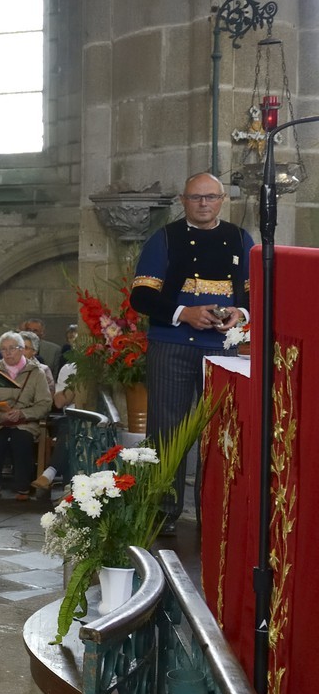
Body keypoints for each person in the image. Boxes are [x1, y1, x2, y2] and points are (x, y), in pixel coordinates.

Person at [129, 170, 251, 530]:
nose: (203, 204)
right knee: (166, 430)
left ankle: (214, 511)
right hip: (173, 345)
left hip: (223, 351)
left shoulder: (240, 238)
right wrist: (185, 314)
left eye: (210, 197)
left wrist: (239, 314)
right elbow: (141, 296)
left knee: (222, 432)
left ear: (222, 200)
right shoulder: (163, 238)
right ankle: (162, 511)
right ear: (183, 201)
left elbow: (254, 291)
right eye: (196, 197)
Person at [0, 332, 54, 501]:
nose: (8, 353)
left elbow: (44, 403)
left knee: (22, 440)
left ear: (22, 350)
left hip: (25, 422)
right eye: (4, 349)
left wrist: (23, 413)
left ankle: (22, 486)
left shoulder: (36, 372)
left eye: (12, 348)